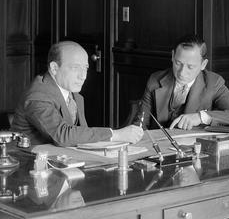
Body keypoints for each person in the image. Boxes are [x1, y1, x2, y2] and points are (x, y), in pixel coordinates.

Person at [12, 41, 144, 147]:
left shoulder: (75, 96)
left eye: (85, 68)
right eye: (75, 68)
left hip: (62, 161)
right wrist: (116, 135)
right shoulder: (38, 95)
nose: (83, 76)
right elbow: (63, 136)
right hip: (29, 165)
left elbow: (81, 137)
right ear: (54, 68)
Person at [137, 34, 229, 130]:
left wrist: (200, 117)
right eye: (178, 63)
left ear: (203, 64)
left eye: (190, 67)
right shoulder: (155, 80)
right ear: (172, 56)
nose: (182, 72)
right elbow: (140, 125)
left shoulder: (214, 83)